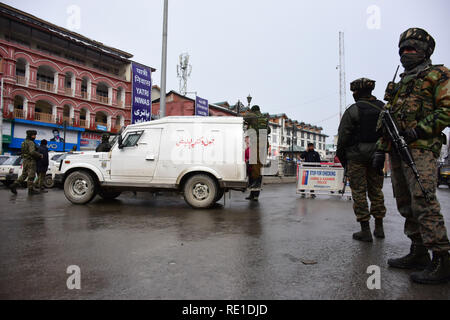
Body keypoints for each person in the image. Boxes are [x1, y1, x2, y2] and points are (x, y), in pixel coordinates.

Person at [373, 28, 450, 284]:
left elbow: (447, 111)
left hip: (422, 148)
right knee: (405, 202)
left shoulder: (438, 75)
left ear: (425, 51)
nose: (406, 53)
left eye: (412, 49)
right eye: (403, 49)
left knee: (424, 201)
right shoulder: (401, 83)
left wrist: (419, 129)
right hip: (397, 149)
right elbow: (388, 119)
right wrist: (380, 149)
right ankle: (418, 252)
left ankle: (442, 258)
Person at [336, 78, 386, 242]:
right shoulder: (383, 109)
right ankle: (379, 227)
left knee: (359, 192)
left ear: (357, 93)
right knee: (376, 191)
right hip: (377, 156)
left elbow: (343, 137)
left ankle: (365, 230)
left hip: (356, 157)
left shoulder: (353, 110)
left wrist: (343, 157)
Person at [243, 105, 270, 201]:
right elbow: (269, 130)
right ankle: (254, 194)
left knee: (254, 167)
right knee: (258, 167)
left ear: (253, 110)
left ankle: (254, 192)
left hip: (257, 143)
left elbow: (243, 118)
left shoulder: (252, 116)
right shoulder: (264, 118)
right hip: (264, 143)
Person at [9, 130, 43, 195]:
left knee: (24, 175)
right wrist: (39, 155)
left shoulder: (24, 142)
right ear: (31, 135)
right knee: (31, 175)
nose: (35, 136)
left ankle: (14, 185)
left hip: (25, 160)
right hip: (31, 161)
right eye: (34, 135)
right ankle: (31, 190)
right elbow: (32, 152)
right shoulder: (31, 142)